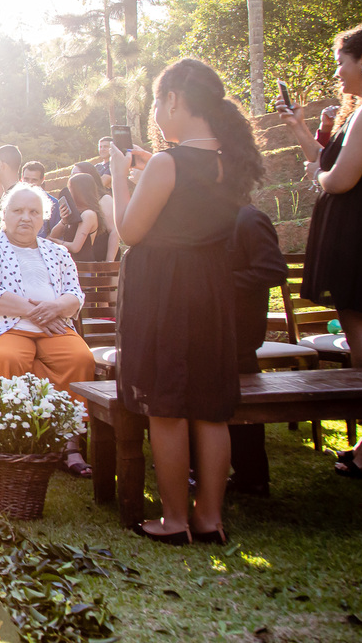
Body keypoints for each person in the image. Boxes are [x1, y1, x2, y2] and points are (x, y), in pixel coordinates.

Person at [112, 58, 263, 545]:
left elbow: (132, 231)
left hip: (165, 291)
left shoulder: (167, 162)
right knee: (208, 407)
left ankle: (174, 519)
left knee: (167, 403)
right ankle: (209, 518)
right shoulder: (228, 163)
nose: (157, 110)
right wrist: (147, 168)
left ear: (175, 100)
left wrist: (119, 177)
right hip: (211, 290)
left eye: (158, 101)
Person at [276, 23, 362, 478]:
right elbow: (326, 157)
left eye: (340, 63)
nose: (337, 73)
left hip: (358, 237)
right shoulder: (357, 114)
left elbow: (339, 177)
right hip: (352, 231)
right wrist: (299, 129)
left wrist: (319, 176)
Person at [0, 184, 93, 477]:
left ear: (44, 218)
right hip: (7, 326)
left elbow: (75, 293)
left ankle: (68, 445)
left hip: (55, 327)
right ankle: (12, 441)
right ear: (4, 214)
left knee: (80, 359)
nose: (26, 217)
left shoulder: (57, 251)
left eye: (34, 212)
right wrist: (36, 311)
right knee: (11, 358)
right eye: (18, 211)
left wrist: (57, 309)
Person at [226, 204, 288, 497]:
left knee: (243, 405)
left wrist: (220, 283)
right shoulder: (207, 221)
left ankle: (252, 477)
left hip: (240, 330)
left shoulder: (248, 219)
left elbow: (273, 270)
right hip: (210, 327)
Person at [50, 173, 110, 262]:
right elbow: (53, 235)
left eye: (70, 189)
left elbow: (75, 247)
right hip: (69, 264)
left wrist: (56, 242)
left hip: (83, 267)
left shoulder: (88, 214)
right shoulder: (75, 213)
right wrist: (64, 221)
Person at [71, 162, 120, 261]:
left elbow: (114, 232)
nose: (72, 178)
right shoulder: (75, 202)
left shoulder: (104, 199)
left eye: (76, 174)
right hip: (83, 256)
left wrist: (109, 261)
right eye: (71, 175)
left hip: (101, 255)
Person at [21, 161, 60, 238]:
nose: (29, 183)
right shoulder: (13, 200)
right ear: (22, 178)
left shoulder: (53, 204)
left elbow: (57, 234)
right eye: (26, 179)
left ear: (42, 180)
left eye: (34, 180)